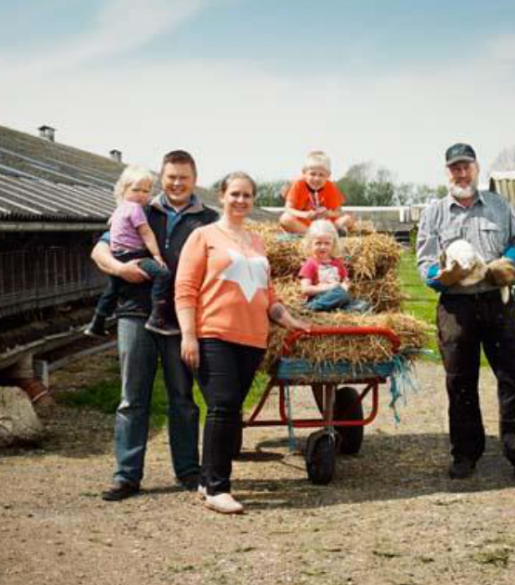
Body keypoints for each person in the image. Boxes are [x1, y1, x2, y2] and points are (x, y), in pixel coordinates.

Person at [415, 143, 515, 483]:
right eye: (454, 168)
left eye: (466, 166)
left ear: (477, 168)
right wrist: (442, 277)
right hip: (456, 308)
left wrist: (507, 265)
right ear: (446, 172)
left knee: (513, 378)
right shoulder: (434, 213)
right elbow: (423, 263)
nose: (460, 173)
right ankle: (465, 455)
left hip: (497, 301)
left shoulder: (499, 206)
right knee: (460, 382)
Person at [176, 172, 310, 514]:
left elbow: (267, 294)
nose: (241, 200)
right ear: (221, 196)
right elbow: (186, 289)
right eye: (234, 193)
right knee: (223, 405)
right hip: (213, 334)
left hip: (252, 338)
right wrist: (189, 335)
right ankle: (220, 488)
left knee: (231, 410)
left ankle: (207, 481)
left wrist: (289, 318)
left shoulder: (257, 241)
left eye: (247, 195)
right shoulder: (202, 236)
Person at [91, 150, 219, 501]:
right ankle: (127, 476)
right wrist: (120, 270)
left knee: (183, 397)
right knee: (133, 397)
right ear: (162, 178)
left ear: (195, 180)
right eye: (171, 177)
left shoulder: (208, 219)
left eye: (184, 177)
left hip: (181, 319)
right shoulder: (139, 207)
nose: (177, 183)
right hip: (135, 312)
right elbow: (100, 250)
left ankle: (189, 472)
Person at [85, 165, 175, 338]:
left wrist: (118, 267)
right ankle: (157, 316)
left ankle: (96, 323)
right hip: (133, 256)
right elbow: (146, 233)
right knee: (162, 274)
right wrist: (156, 256)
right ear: (123, 190)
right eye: (136, 190)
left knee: (112, 290)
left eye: (146, 191)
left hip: (118, 254)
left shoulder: (118, 210)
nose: (141, 194)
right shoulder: (136, 209)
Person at [298, 220, 370, 313]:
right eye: (318, 243)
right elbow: (305, 289)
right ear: (310, 244)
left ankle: (337, 311)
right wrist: (328, 288)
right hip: (320, 297)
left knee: (363, 304)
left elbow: (345, 282)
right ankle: (310, 308)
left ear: (333, 244)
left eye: (327, 243)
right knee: (339, 294)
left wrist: (345, 286)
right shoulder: (310, 264)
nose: (323, 247)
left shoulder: (337, 263)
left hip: (338, 297)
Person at [279, 151, 356, 234]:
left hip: (326, 224)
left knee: (348, 219)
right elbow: (288, 209)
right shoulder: (298, 184)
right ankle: (312, 233)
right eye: (312, 174)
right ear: (304, 173)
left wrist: (328, 213)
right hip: (303, 224)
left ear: (328, 175)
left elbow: (338, 212)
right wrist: (305, 215)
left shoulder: (330, 187)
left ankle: (329, 231)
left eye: (321, 175)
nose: (316, 178)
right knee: (285, 219)